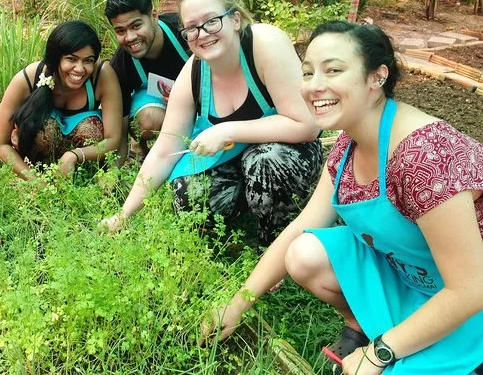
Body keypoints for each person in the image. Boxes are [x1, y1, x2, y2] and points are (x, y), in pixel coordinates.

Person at [200, 21, 483, 374]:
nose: (314, 86)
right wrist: (237, 304)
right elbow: (302, 226)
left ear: (376, 77)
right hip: (410, 275)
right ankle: (368, 325)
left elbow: (471, 288)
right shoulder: (349, 144)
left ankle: (401, 341)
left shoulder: (426, 156)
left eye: (333, 70)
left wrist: (380, 353)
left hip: (467, 297)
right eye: (308, 72)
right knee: (304, 253)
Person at [101, 0, 322, 245]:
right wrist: (123, 216)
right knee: (186, 192)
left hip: (288, 149)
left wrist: (227, 130)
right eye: (192, 28)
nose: (202, 33)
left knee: (265, 160)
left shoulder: (264, 44)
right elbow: (164, 150)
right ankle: (246, 210)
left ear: (235, 19)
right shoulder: (193, 72)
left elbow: (307, 125)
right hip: (232, 157)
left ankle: (276, 240)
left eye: (211, 21)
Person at [0, 20, 122, 179]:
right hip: (35, 175)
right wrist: (35, 182)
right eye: (71, 59)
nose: (80, 69)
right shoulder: (28, 78)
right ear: (56, 58)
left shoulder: (102, 76)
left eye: (88, 60)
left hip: (84, 178)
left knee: (88, 128)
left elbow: (113, 140)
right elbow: (0, 144)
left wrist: (74, 156)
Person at [105, 0, 191, 158]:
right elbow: (120, 125)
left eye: (136, 26)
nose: (130, 37)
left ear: (154, 16)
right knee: (148, 120)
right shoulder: (121, 65)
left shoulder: (184, 30)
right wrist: (116, 169)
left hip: (196, 93)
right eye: (121, 31)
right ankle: (142, 150)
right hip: (154, 99)